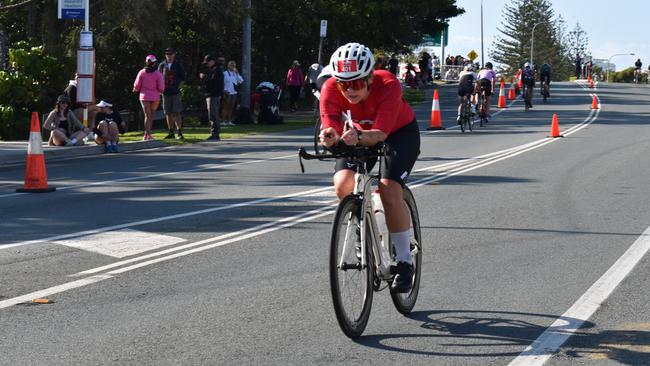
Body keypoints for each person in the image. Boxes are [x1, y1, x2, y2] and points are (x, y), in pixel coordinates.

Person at [318, 42, 421, 293]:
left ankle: (405, 260)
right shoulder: (330, 88)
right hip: (356, 135)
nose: (348, 90)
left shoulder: (388, 84)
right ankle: (361, 231)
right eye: (343, 83)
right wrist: (329, 136)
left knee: (388, 189)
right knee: (343, 183)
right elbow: (329, 125)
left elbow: (381, 133)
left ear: (369, 78)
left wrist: (357, 136)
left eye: (355, 83)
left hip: (397, 134)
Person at [133, 54, 165, 140]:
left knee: (147, 115)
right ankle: (149, 134)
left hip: (144, 96)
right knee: (151, 115)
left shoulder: (142, 72)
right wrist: (159, 91)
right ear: (154, 63)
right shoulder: (158, 74)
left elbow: (136, 85)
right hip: (155, 97)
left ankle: (146, 134)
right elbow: (161, 87)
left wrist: (135, 89)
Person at [158, 48, 186, 140]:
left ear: (174, 55)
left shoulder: (178, 65)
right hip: (165, 92)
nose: (169, 55)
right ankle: (171, 132)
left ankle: (179, 132)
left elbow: (183, 77)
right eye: (167, 54)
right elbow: (158, 78)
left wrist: (179, 87)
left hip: (175, 92)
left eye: (171, 54)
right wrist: (160, 89)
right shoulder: (162, 65)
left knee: (176, 112)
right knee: (168, 113)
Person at [63, 73, 98, 139]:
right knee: (96, 108)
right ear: (75, 78)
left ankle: (90, 132)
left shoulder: (82, 88)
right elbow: (72, 103)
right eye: (78, 77)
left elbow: (90, 101)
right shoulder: (72, 87)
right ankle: (104, 121)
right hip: (71, 113)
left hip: (81, 110)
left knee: (94, 113)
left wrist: (90, 101)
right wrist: (84, 103)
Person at [200, 54, 224, 141]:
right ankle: (215, 133)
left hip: (213, 95)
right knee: (213, 115)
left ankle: (215, 133)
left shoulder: (216, 70)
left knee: (213, 115)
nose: (207, 64)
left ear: (212, 61)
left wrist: (204, 77)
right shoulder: (214, 69)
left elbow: (213, 82)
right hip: (213, 95)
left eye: (208, 62)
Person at [222, 60, 243, 126]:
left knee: (231, 107)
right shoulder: (225, 73)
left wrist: (237, 73)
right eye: (231, 65)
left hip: (234, 92)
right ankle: (223, 121)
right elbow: (221, 83)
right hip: (227, 92)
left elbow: (241, 81)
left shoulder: (235, 74)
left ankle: (229, 121)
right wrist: (223, 90)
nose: (233, 66)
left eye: (234, 65)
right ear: (228, 66)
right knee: (225, 107)